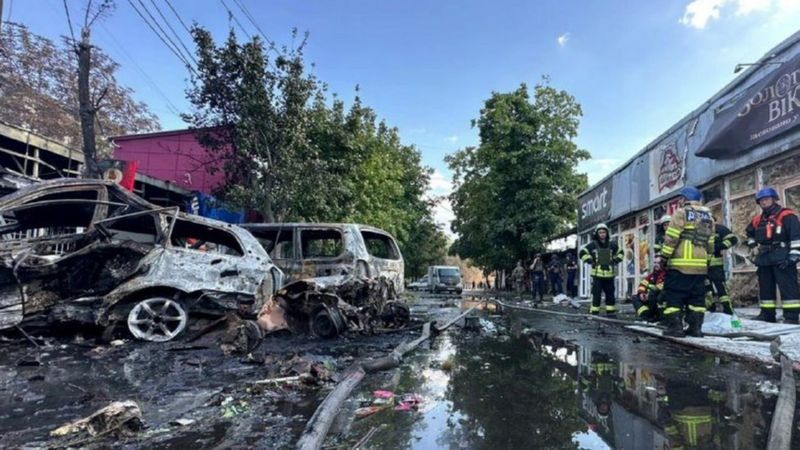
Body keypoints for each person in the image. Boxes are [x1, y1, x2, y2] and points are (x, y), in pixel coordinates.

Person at [660, 186, 715, 337]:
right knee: (697, 299)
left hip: (680, 265)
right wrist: (707, 261)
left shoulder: (681, 213)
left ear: (684, 199)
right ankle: (695, 329)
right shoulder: (708, 216)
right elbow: (710, 243)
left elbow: (672, 237)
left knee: (674, 296)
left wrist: (664, 257)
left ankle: (675, 328)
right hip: (700, 267)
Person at [745, 187, 800, 323]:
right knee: (765, 287)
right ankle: (767, 315)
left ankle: (791, 317)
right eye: (761, 201)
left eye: (766, 199)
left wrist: (794, 255)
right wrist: (752, 245)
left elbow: (796, 237)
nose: (763, 202)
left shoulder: (787, 216)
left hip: (782, 256)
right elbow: (749, 234)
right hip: (764, 257)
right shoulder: (757, 220)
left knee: (788, 288)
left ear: (774, 199)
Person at [579, 223, 624, 316]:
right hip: (597, 276)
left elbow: (621, 253)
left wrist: (616, 260)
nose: (602, 234)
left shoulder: (612, 245)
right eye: (600, 232)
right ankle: (595, 312)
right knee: (596, 295)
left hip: (609, 275)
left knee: (610, 295)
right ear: (597, 234)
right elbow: (582, 253)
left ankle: (611, 312)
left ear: (607, 233)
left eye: (604, 232)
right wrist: (589, 260)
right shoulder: (592, 245)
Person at [706, 221, 738, 314]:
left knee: (721, 288)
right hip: (701, 266)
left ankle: (728, 310)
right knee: (707, 289)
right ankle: (711, 309)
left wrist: (720, 246)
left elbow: (733, 239)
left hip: (716, 266)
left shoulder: (719, 228)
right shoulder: (698, 230)